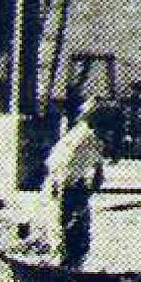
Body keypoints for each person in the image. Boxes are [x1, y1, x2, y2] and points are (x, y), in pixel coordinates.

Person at [40, 95, 105, 270]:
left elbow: (97, 167)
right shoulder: (82, 136)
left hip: (74, 185)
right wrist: (58, 184)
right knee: (64, 226)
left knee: (74, 228)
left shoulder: (89, 137)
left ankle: (72, 264)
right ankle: (64, 264)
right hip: (66, 184)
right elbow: (59, 163)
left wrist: (92, 185)